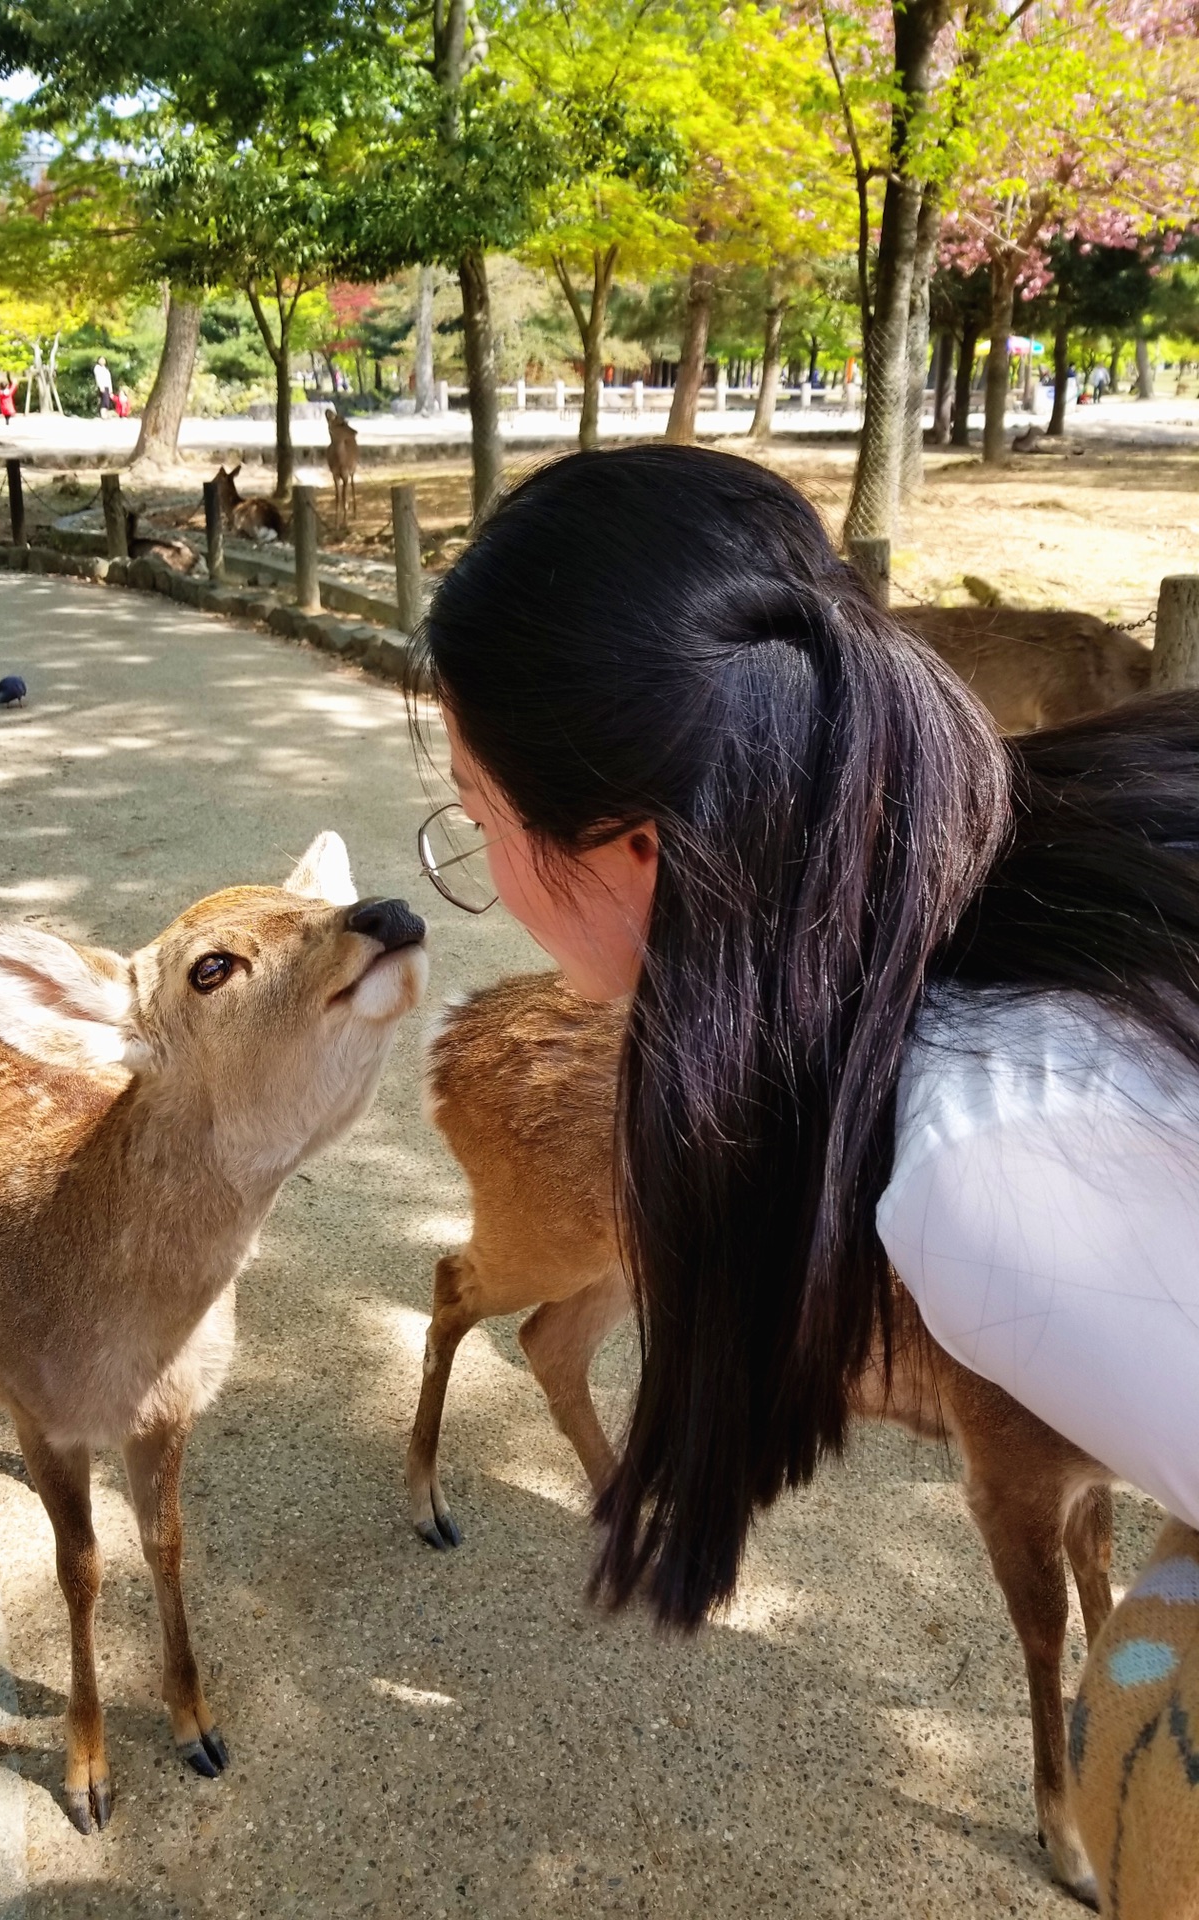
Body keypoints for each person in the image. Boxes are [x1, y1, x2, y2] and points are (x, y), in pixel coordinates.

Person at [410, 444, 1199, 1872]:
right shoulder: (1043, 838)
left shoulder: (985, 1171)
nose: (478, 867)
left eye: (477, 821)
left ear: (637, 847)